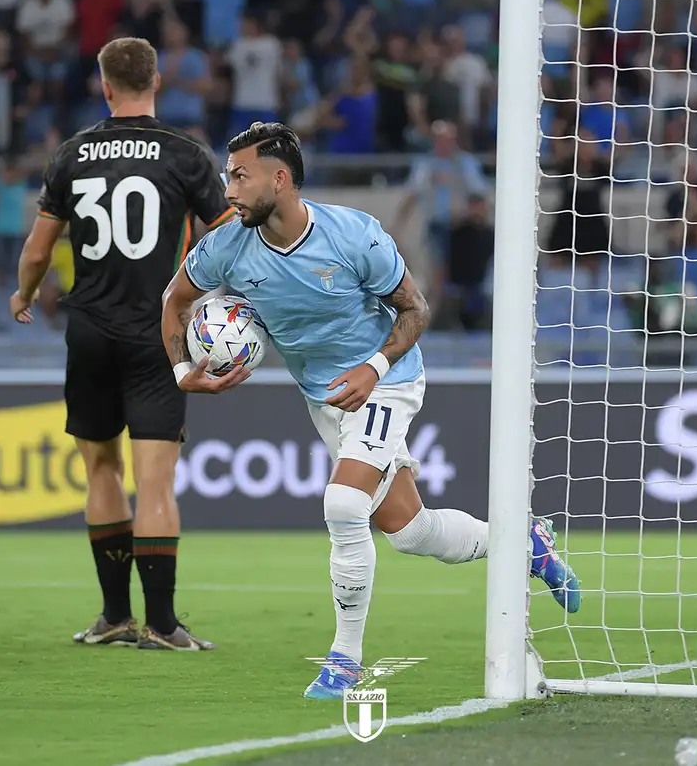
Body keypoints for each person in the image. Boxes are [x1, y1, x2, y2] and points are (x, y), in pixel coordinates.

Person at [160, 122, 582, 699]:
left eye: (240, 176)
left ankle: (345, 659)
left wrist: (374, 368)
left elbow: (415, 308)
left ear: (279, 180)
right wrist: (186, 374)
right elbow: (175, 300)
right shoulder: (227, 245)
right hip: (325, 395)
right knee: (409, 531)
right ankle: (523, 543)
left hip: (386, 381)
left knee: (342, 502)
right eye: (226, 176)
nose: (228, 189)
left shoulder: (353, 235)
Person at [10, 37, 235, 652]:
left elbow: (35, 251)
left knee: (100, 470)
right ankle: (161, 625)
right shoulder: (186, 154)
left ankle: (114, 616)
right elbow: (228, 236)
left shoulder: (72, 154)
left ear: (104, 85)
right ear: (157, 81)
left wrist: (24, 295)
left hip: (89, 331)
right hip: (158, 333)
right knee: (155, 483)